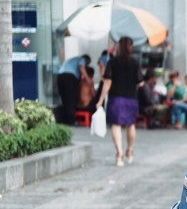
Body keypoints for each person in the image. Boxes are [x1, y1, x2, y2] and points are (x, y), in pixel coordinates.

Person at [96, 36, 141, 166]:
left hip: (116, 99)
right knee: (130, 125)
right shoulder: (135, 63)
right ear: (130, 47)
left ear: (118, 47)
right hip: (131, 99)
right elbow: (140, 82)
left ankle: (119, 154)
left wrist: (100, 100)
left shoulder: (112, 62)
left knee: (116, 125)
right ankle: (130, 150)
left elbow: (107, 82)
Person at [56, 53, 92, 125]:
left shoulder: (71, 60)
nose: (86, 65)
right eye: (87, 64)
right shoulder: (81, 60)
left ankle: (65, 119)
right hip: (69, 77)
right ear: (86, 60)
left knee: (64, 98)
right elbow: (81, 68)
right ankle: (71, 120)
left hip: (59, 76)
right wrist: (88, 80)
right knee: (71, 98)